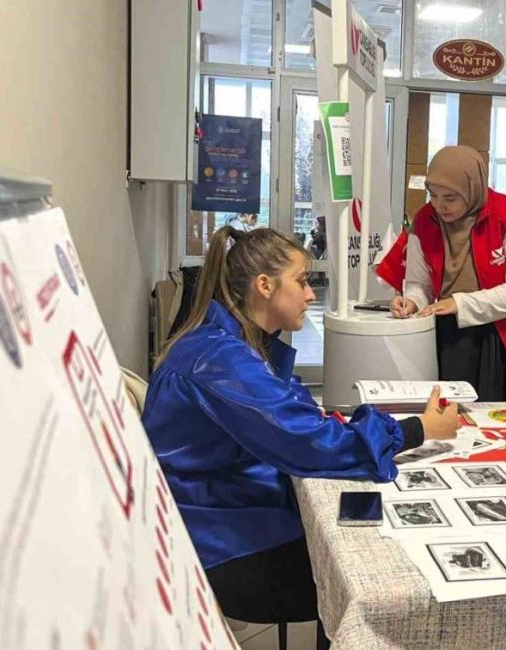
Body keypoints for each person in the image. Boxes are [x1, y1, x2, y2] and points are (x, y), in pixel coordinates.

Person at [141, 226, 458, 640]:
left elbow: (296, 417)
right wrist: (418, 429)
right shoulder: (222, 360)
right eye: (303, 281)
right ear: (265, 286)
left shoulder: (231, 343)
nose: (311, 295)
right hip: (220, 545)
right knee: (366, 579)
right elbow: (309, 443)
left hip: (219, 511)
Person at [391, 145, 506, 406]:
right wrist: (412, 301)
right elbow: (420, 283)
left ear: (472, 189)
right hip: (457, 336)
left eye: (450, 198)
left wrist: (459, 302)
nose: (440, 206)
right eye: (433, 195)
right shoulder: (425, 221)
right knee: (458, 421)